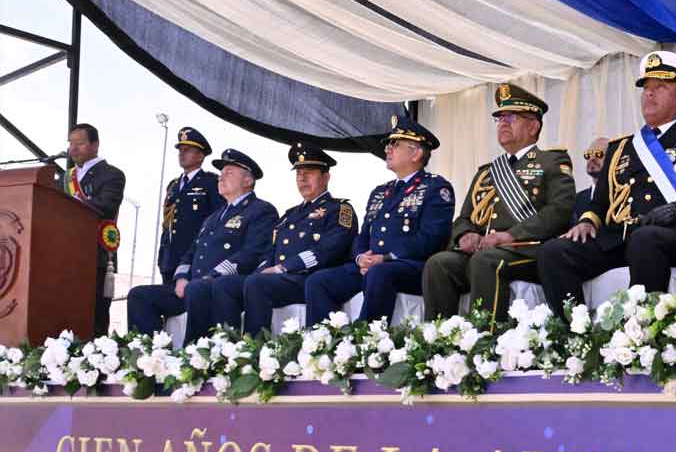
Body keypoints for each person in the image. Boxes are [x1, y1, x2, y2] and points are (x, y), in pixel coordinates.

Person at [538, 51, 676, 316]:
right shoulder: (620, 148)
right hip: (620, 238)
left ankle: (641, 329)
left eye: (660, 87)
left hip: (674, 237)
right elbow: (599, 203)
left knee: (645, 238)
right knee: (553, 251)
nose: (649, 93)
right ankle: (572, 330)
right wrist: (586, 222)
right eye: (646, 88)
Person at [422, 84, 574, 322]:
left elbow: (559, 211)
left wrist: (510, 235)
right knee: (438, 264)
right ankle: (440, 337)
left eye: (511, 117)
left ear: (533, 126)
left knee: (485, 261)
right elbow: (464, 218)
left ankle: (486, 338)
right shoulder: (487, 172)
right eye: (500, 118)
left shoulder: (552, 161)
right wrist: (465, 235)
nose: (503, 123)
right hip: (484, 249)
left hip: (527, 249)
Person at [305, 117, 454, 326]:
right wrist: (360, 257)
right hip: (372, 266)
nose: (387, 149)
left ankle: (368, 338)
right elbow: (363, 235)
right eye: (388, 144)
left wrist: (385, 258)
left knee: (379, 272)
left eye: (395, 144)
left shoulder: (435, 187)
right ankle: (325, 340)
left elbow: (432, 238)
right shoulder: (380, 192)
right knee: (318, 281)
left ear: (416, 153)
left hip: (410, 267)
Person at [127, 149, 277, 343]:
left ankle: (194, 355)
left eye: (229, 173)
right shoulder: (214, 217)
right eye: (221, 174)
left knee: (198, 289)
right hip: (192, 286)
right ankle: (148, 354)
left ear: (248, 181)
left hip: (223, 287)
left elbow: (253, 253)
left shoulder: (261, 210)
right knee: (139, 295)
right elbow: (190, 253)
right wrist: (181, 278)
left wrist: (212, 275)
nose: (221, 177)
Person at [211, 142, 356, 336]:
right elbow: (270, 251)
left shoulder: (339, 209)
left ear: (326, 177)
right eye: (299, 174)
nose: (302, 178)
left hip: (309, 279)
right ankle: (226, 345)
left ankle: (253, 346)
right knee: (225, 285)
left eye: (309, 173)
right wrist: (262, 270)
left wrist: (285, 267)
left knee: (256, 284)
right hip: (280, 279)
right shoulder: (289, 215)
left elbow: (330, 249)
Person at [63, 123, 126, 335]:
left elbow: (106, 206)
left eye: (79, 143)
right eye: (71, 143)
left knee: (94, 315)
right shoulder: (66, 177)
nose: (73, 148)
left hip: (95, 253)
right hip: (65, 253)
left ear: (95, 145)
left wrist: (70, 204)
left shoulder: (111, 174)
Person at [156, 127, 224, 283]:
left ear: (200, 156)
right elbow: (168, 225)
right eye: (180, 150)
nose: (182, 154)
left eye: (187, 150)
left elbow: (217, 222)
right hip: (169, 259)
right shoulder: (173, 185)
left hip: (195, 258)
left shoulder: (211, 183)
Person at [572, 136, 609, 224]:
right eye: (588, 155)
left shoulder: (619, 197)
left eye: (599, 154)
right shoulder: (576, 200)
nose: (592, 158)